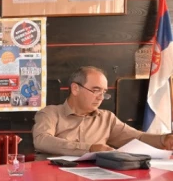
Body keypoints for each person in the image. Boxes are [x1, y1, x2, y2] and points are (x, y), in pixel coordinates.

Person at [33, 66, 173, 156]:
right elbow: (42, 140)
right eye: (96, 90)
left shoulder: (107, 118)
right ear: (75, 89)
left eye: (104, 92)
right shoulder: (50, 114)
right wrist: (90, 149)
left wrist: (163, 140)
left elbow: (138, 138)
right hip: (57, 180)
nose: (100, 97)